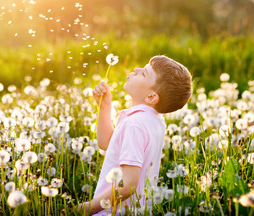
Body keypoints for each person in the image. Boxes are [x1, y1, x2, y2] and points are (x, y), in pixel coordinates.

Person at [77, 55, 193, 215]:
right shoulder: (154, 120)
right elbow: (107, 144)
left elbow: (129, 184)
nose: (136, 69)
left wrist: (89, 207)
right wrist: (105, 107)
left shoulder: (136, 124)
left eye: (144, 73)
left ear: (151, 97)